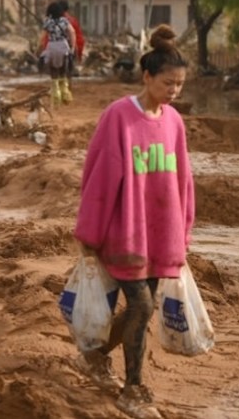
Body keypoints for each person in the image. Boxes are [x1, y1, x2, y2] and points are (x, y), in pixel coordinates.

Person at [73, 24, 194, 419]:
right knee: (141, 305)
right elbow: (101, 176)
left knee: (142, 308)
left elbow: (183, 181)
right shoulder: (119, 117)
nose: (173, 90)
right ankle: (134, 389)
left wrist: (184, 230)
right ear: (147, 76)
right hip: (125, 232)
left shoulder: (174, 121)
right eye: (167, 82)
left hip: (160, 234)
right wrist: (90, 232)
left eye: (179, 84)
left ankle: (95, 355)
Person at [38, 0, 84, 102]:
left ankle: (55, 94)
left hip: (51, 47)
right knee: (64, 70)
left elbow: (42, 38)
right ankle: (65, 93)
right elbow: (72, 32)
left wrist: (39, 49)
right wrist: (72, 47)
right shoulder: (65, 21)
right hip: (63, 46)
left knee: (53, 70)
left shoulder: (47, 22)